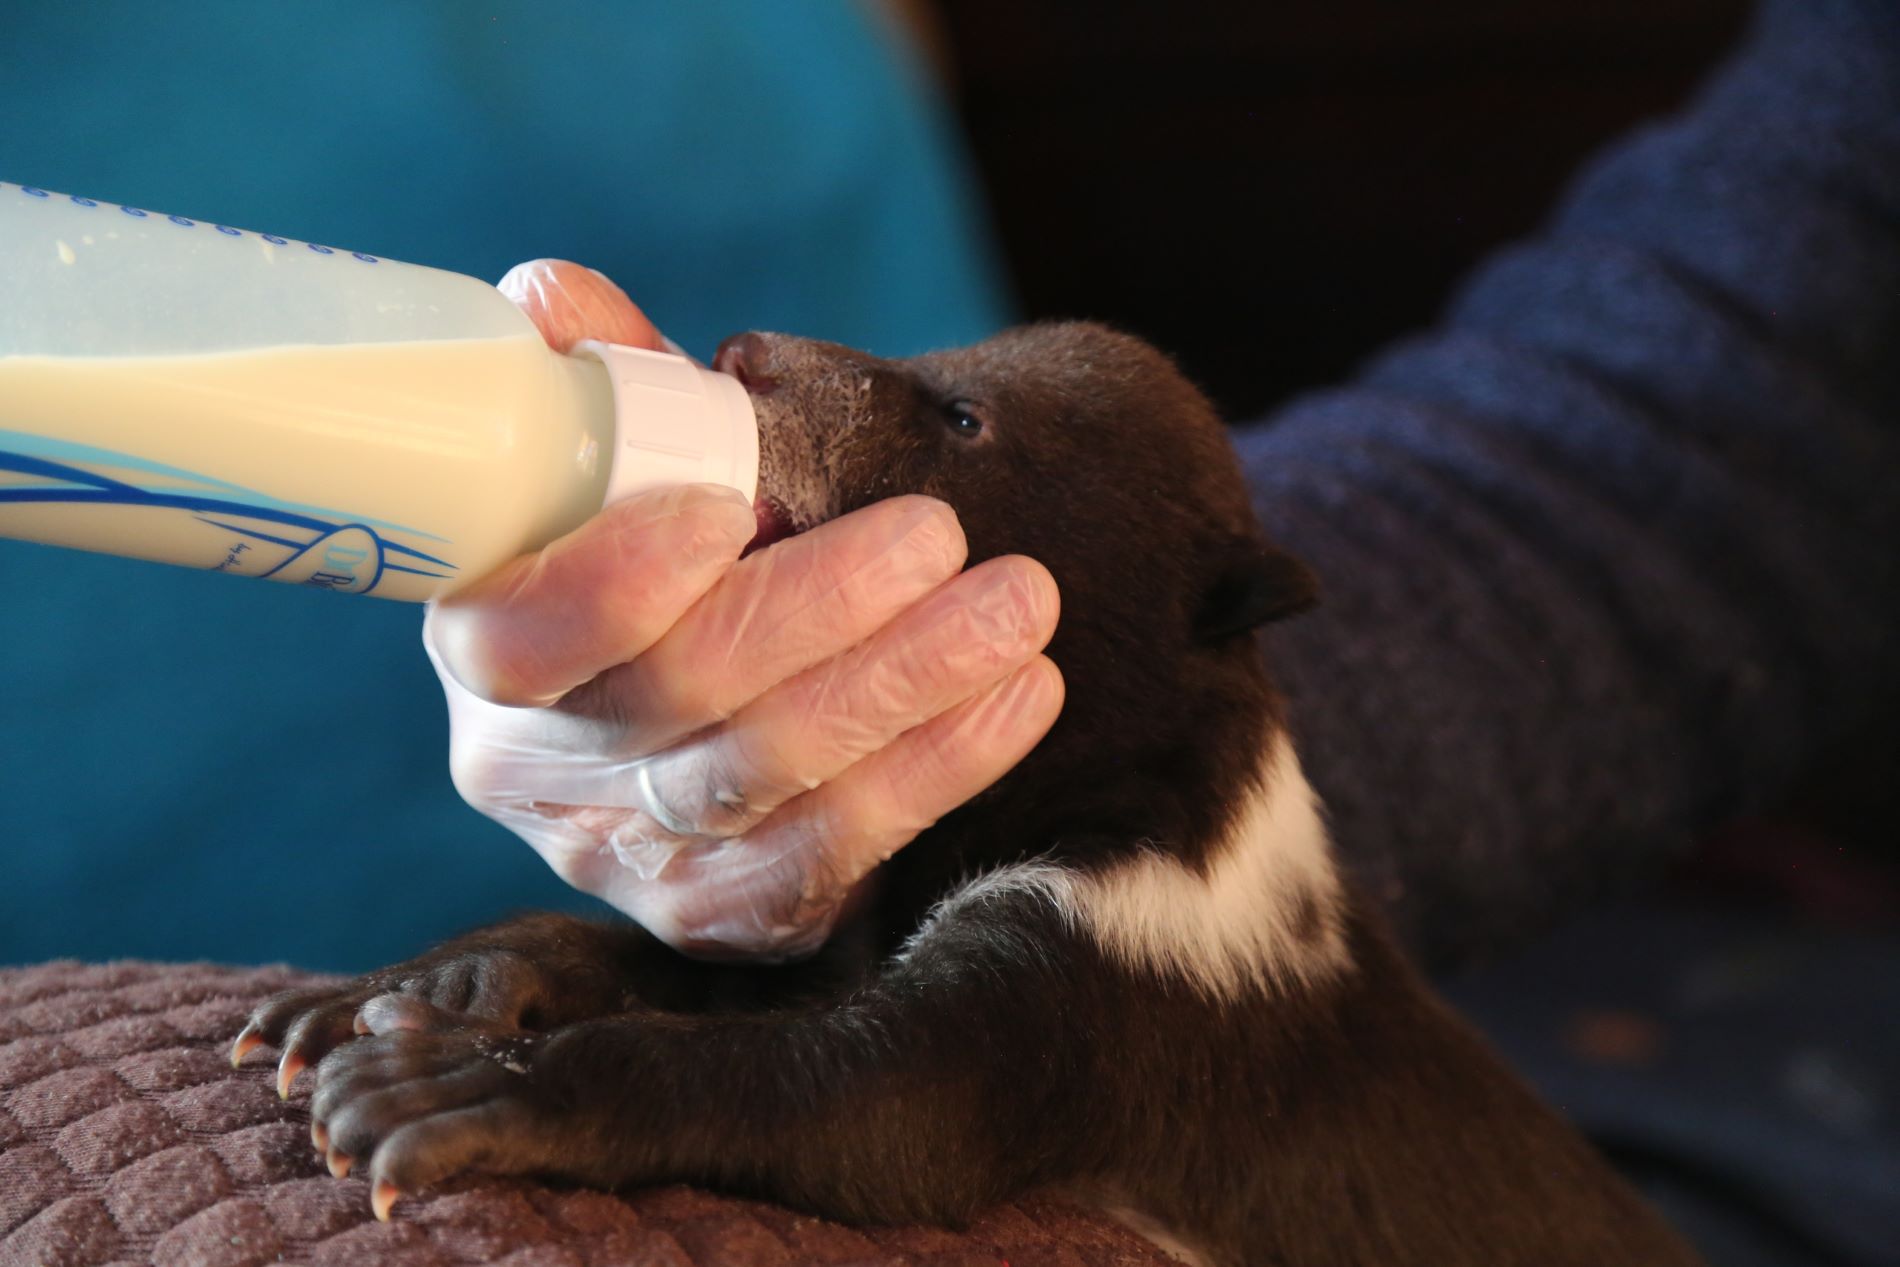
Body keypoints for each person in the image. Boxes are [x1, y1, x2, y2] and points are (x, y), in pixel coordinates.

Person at [435, 2, 1899, 1262]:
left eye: (958, 421)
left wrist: (572, 1092)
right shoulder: (1150, 878)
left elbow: (870, 1105)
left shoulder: (1136, 937)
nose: (768, 360)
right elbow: (1742, 397)